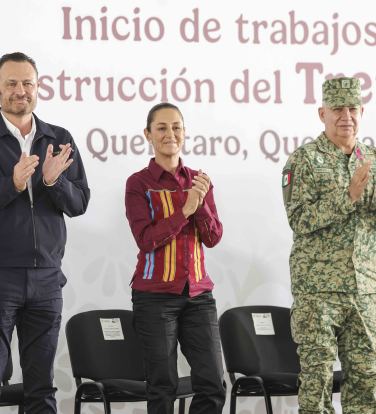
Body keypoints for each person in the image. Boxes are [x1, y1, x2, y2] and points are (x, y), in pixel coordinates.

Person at [0, 52, 90, 414]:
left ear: (38, 87)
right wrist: (11, 184)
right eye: (11, 83)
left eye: (27, 83)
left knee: (42, 389)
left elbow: (79, 204)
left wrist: (53, 181)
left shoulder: (59, 138)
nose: (20, 90)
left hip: (46, 279)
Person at [283, 77, 376, 414]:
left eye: (352, 108)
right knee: (317, 384)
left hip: (364, 292)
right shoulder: (304, 160)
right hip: (317, 292)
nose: (345, 115)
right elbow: (299, 220)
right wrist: (347, 197)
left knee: (365, 382)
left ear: (362, 112)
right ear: (322, 113)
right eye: (337, 108)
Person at [125, 102, 226, 414]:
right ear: (148, 135)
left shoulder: (199, 180)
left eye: (177, 127)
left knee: (212, 384)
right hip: (154, 297)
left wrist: (202, 203)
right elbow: (146, 240)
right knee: (162, 386)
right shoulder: (139, 183)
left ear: (184, 133)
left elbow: (213, 237)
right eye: (162, 128)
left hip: (198, 294)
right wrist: (185, 210)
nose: (171, 134)